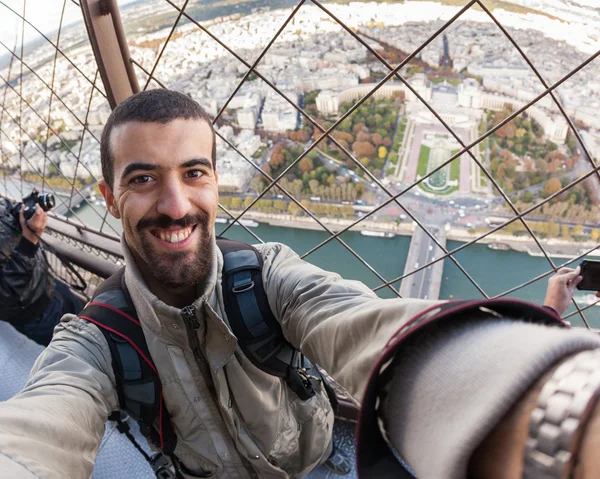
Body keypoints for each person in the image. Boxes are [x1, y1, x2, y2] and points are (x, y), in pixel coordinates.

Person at [0, 89, 598, 479]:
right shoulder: (94, 339)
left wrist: (555, 405)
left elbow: (367, 327)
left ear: (215, 185)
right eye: (144, 179)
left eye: (194, 173)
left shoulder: (268, 276)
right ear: (109, 199)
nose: (176, 204)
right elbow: (42, 425)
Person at [0, 197, 82, 346]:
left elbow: (6, 210)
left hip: (49, 284)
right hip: (34, 314)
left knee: (88, 322)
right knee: (74, 348)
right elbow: (4, 295)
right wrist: (29, 242)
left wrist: (25, 208)